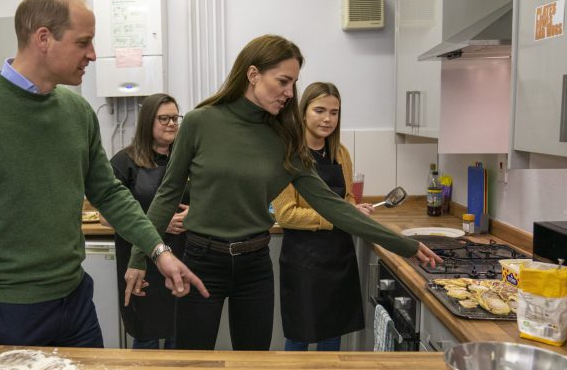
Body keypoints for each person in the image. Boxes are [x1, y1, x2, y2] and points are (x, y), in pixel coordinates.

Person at [0, 0, 207, 348]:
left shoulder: (77, 112)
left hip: (76, 303)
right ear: (43, 37)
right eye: (83, 42)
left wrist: (160, 252)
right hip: (9, 311)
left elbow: (108, 193)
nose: (92, 54)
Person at [124, 35, 440, 351]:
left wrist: (404, 245)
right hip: (202, 261)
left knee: (255, 369)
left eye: (293, 83)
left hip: (254, 266)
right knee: (193, 365)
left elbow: (332, 205)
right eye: (283, 81)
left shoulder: (284, 137)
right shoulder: (199, 122)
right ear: (252, 75)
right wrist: (140, 257)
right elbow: (167, 195)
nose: (290, 93)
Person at [272, 82, 374, 352]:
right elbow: (286, 215)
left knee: (333, 332)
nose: (328, 119)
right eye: (319, 110)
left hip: (339, 256)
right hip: (302, 261)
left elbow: (348, 197)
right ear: (303, 112)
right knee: (299, 336)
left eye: (334, 112)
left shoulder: (341, 153)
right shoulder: (287, 154)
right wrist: (338, 217)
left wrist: (354, 209)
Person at [108, 93, 189, 349]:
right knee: (146, 338)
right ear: (147, 122)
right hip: (142, 262)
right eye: (163, 118)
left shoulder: (188, 159)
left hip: (184, 258)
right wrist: (157, 226)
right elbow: (105, 216)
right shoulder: (124, 162)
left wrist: (194, 215)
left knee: (182, 334)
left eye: (175, 118)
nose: (171, 124)